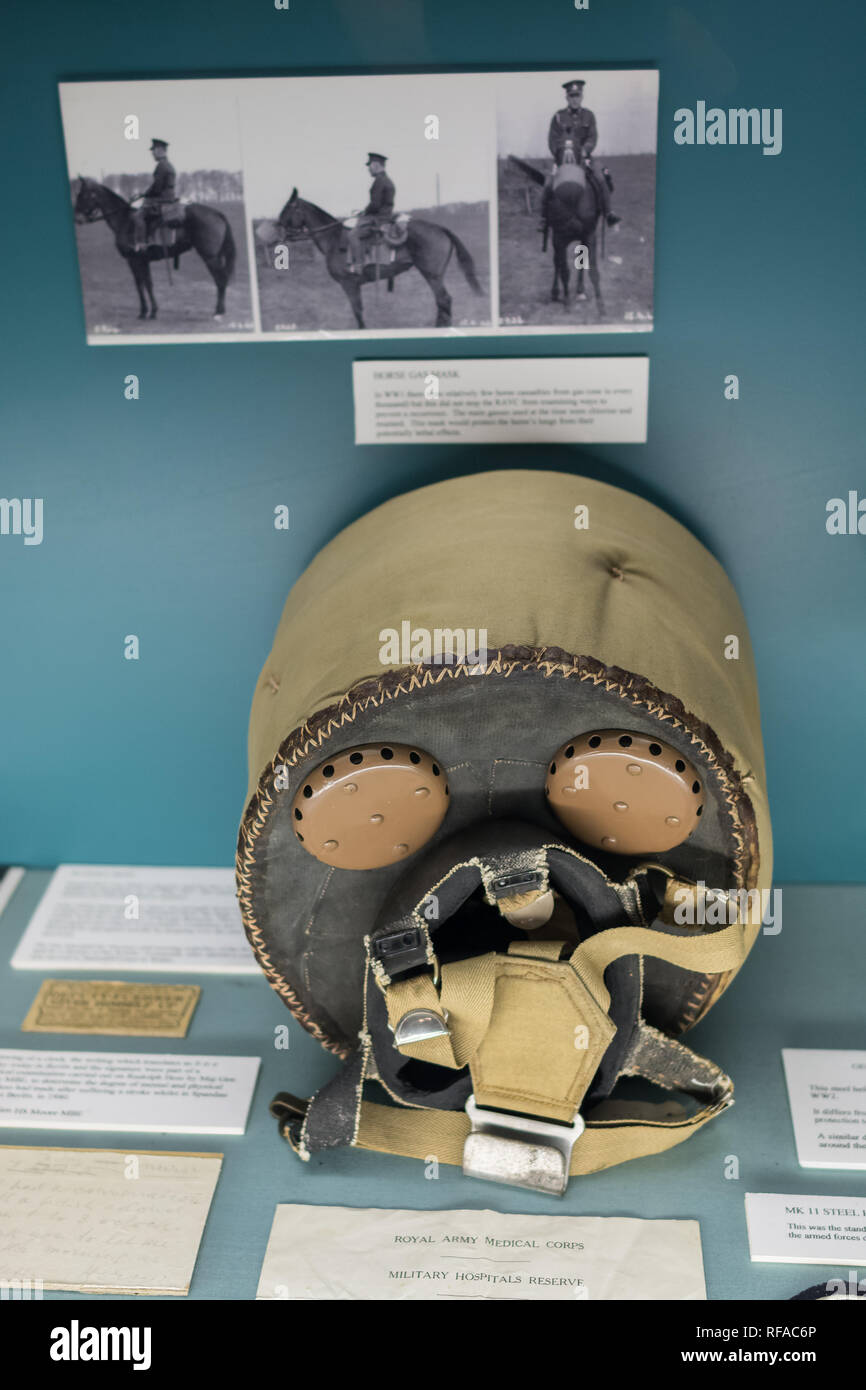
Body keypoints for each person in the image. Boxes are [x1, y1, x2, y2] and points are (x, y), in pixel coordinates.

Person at [539, 80, 621, 231]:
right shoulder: (558, 117)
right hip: (563, 160)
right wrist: (559, 154)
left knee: (601, 175)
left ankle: (609, 213)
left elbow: (592, 137)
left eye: (577, 95)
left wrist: (585, 150)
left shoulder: (589, 116)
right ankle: (544, 219)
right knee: (548, 181)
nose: (574, 99)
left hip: (584, 159)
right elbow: (552, 140)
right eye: (571, 96)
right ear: (567, 98)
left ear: (582, 96)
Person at [346, 153, 396, 273]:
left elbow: (375, 205)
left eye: (370, 165)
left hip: (378, 219)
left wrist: (364, 213)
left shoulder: (380, 181)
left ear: (376, 165)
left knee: (352, 235)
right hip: (383, 216)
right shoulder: (386, 180)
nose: (368, 169)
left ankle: (358, 265)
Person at [132, 139, 178, 251]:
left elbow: (157, 188)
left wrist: (144, 195)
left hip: (162, 201)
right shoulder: (168, 165)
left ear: (161, 150)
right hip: (168, 199)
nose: (152, 153)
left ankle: (141, 243)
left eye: (154, 150)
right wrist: (143, 194)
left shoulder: (161, 166)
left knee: (138, 215)